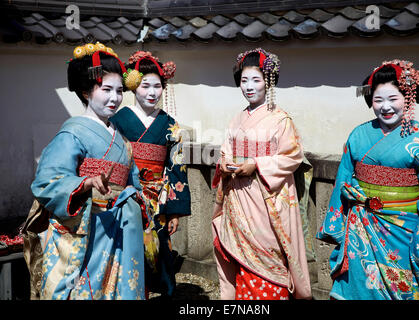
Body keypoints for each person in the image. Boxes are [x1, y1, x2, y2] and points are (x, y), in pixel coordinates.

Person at [317, 60, 419, 300]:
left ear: (408, 97)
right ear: (370, 101)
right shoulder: (358, 136)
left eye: (393, 99)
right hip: (360, 231)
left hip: (404, 234)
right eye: (378, 100)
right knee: (358, 289)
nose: (386, 107)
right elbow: (342, 181)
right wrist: (337, 225)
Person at [25, 43, 149, 300]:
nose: (115, 98)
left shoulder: (120, 137)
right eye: (106, 90)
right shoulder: (72, 133)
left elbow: (133, 179)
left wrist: (136, 197)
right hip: (89, 227)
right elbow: (47, 180)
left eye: (118, 91)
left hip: (123, 226)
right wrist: (85, 184)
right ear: (85, 91)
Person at [211, 48, 312, 300]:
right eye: (244, 81)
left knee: (269, 255)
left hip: (266, 201)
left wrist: (257, 164)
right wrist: (224, 164)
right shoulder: (236, 120)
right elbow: (226, 151)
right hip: (238, 198)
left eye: (255, 80)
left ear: (268, 82)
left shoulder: (281, 120)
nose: (249, 87)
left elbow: (293, 155)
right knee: (240, 259)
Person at [110, 51, 191, 299]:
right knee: (125, 250)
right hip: (125, 195)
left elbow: (177, 167)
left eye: (157, 86)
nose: (152, 92)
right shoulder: (118, 120)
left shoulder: (170, 124)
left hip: (158, 200)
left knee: (160, 253)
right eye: (145, 86)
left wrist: (175, 211)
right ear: (134, 87)